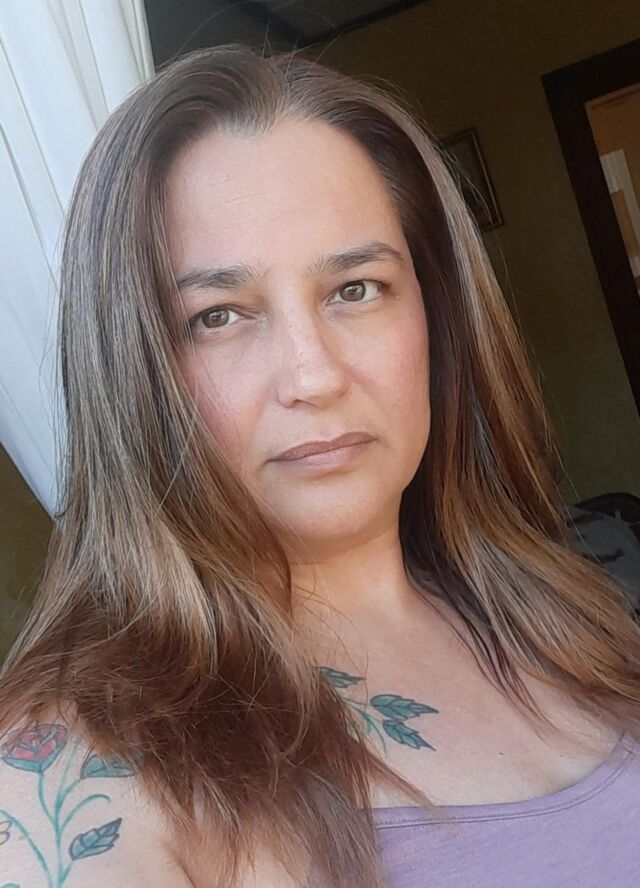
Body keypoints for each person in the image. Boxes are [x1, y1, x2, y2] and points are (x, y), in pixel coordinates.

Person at [0, 42, 638, 888]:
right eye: (218, 315)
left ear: (436, 313)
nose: (313, 375)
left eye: (355, 289)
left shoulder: (566, 608)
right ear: (134, 370)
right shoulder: (71, 769)